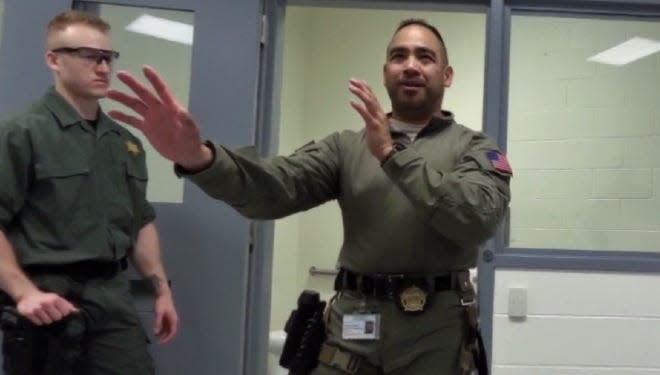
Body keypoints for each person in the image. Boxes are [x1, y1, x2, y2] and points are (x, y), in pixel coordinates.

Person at [108, 18, 511, 375]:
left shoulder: (474, 149)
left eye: (425, 57)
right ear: (385, 72)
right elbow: (275, 187)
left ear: (447, 74)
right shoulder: (346, 147)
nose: (410, 65)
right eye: (398, 55)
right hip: (354, 325)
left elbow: (475, 217)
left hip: (435, 333)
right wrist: (199, 158)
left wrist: (392, 154)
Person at [0, 10, 178, 375]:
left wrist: (160, 288)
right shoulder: (21, 133)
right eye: (89, 56)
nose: (103, 68)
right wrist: (24, 293)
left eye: (108, 58)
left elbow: (140, 221)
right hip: (46, 298)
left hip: (111, 299)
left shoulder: (124, 142)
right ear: (54, 60)